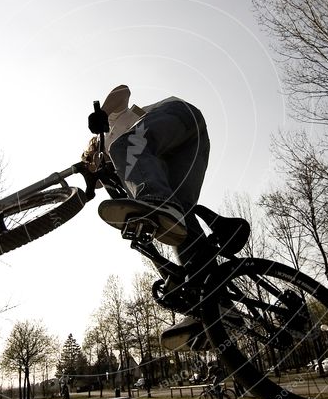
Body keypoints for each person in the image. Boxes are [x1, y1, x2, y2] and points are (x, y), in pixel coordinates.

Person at [83, 85, 244, 353]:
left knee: (126, 151)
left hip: (178, 116)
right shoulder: (136, 168)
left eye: (96, 166)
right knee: (179, 220)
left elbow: (123, 92)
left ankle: (159, 202)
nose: (102, 175)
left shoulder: (113, 136)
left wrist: (104, 112)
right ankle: (217, 303)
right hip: (189, 147)